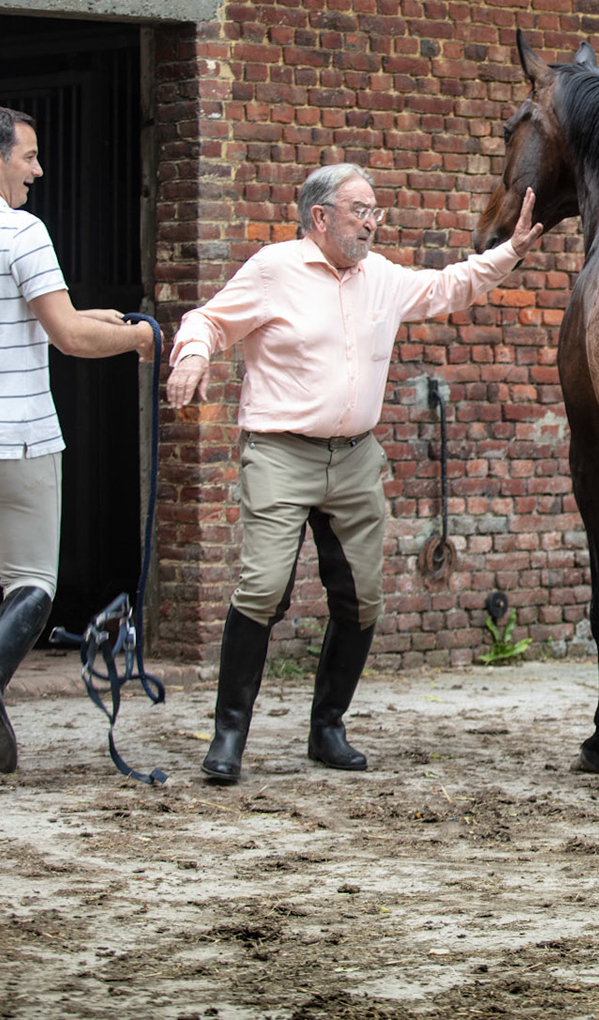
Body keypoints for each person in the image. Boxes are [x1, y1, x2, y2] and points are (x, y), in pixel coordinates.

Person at [167, 162, 541, 784]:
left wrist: (510, 251)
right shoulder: (272, 269)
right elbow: (208, 319)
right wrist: (193, 356)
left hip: (355, 459)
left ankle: (328, 727)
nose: (372, 223)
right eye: (360, 211)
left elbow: (450, 286)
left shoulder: (381, 278)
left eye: (375, 212)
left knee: (363, 598)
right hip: (282, 454)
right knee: (262, 590)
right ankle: (229, 734)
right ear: (320, 217)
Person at [0, 106, 156, 777]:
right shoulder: (23, 232)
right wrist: (140, 337)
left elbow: (23, 317)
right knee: (33, 584)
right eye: (28, 156)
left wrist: (93, 315)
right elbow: (69, 339)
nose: (38, 170)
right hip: (14, 436)